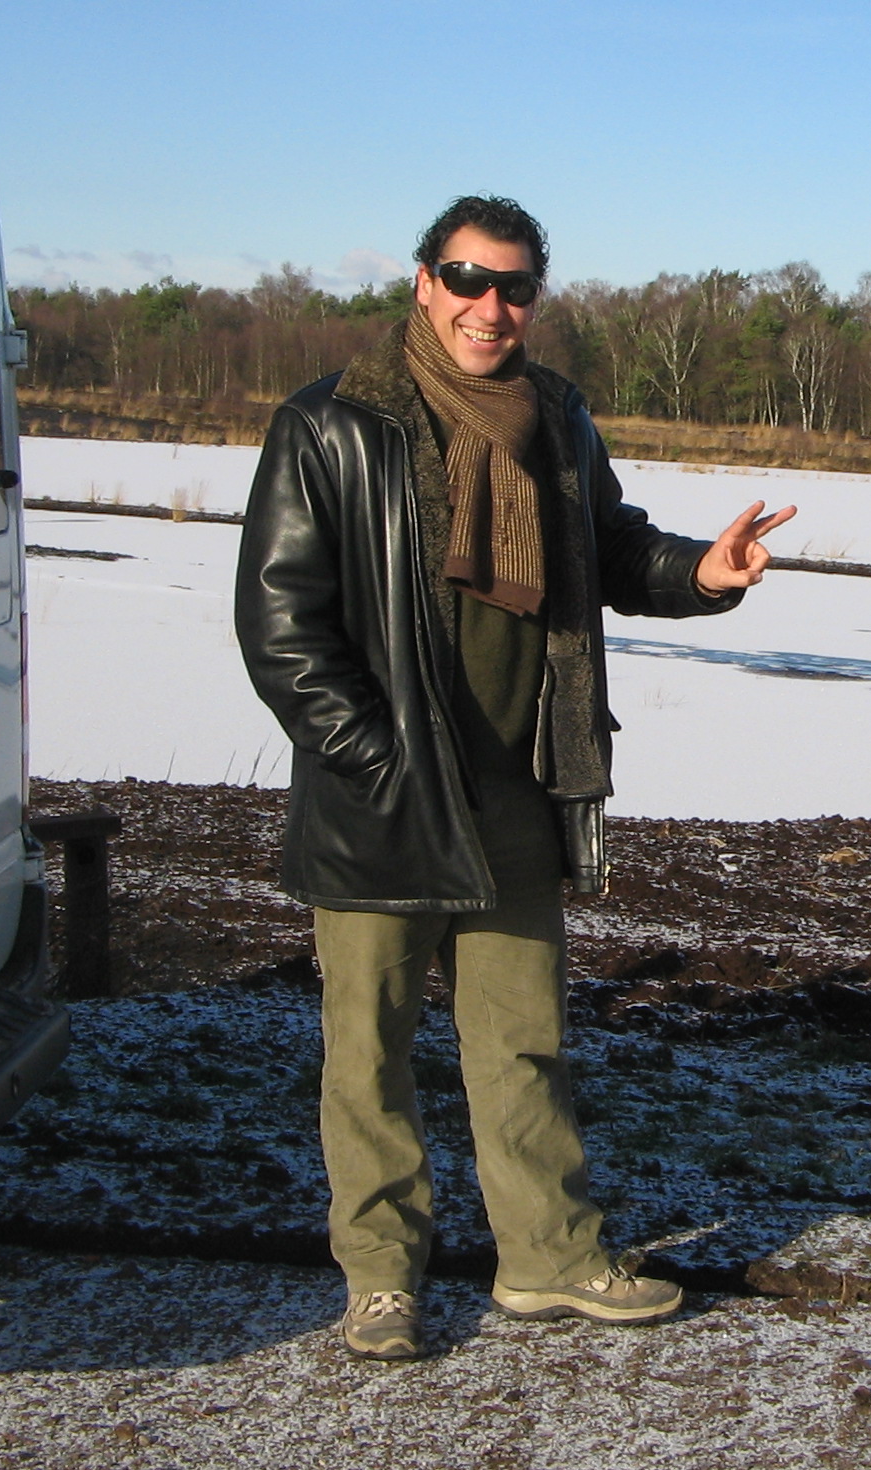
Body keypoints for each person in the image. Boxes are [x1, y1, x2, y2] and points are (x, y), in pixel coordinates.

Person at [235, 195, 793, 1360]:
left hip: (523, 786)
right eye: (467, 278)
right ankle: (383, 1278)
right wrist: (373, 758)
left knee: (521, 1041)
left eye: (515, 286)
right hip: (385, 797)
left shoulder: (555, 418)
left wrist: (706, 569)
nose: (491, 306)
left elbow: (611, 547)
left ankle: (545, 1260)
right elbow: (283, 625)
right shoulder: (333, 422)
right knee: (369, 1052)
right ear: (423, 284)